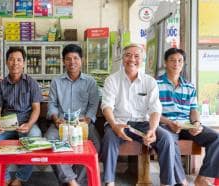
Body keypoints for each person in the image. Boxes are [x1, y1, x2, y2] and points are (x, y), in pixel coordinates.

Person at [101, 43, 177, 186]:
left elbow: (155, 109)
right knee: (109, 138)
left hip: (143, 124)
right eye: (128, 55)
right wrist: (114, 125)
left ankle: (166, 183)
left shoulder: (150, 82)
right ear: (122, 58)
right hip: (119, 122)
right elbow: (107, 106)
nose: (132, 59)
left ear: (142, 60)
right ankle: (109, 182)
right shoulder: (112, 80)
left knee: (166, 138)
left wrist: (152, 130)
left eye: (137, 56)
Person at [157, 48, 219, 186]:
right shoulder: (156, 84)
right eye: (172, 60)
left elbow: (193, 109)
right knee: (170, 142)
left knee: (216, 138)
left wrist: (196, 123)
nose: (176, 63)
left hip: (186, 125)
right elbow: (152, 112)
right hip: (165, 125)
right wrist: (169, 122)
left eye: (180, 61)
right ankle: (181, 181)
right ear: (165, 63)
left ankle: (203, 177)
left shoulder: (189, 86)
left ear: (183, 63)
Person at [0, 47, 42, 186]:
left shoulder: (31, 83)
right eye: (11, 59)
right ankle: (5, 179)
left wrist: (29, 124)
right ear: (6, 62)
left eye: (19, 60)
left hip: (26, 124)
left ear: (24, 63)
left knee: (35, 138)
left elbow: (36, 109)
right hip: (6, 125)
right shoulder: (0, 86)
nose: (15, 63)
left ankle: (19, 179)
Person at [45, 44, 101, 186]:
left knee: (95, 145)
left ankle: (78, 181)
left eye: (76, 58)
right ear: (63, 61)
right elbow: (52, 104)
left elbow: (94, 105)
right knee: (49, 141)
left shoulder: (90, 82)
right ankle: (71, 180)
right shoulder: (56, 82)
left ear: (82, 60)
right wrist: (56, 119)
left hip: (83, 124)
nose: (72, 62)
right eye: (68, 59)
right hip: (61, 123)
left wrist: (87, 119)